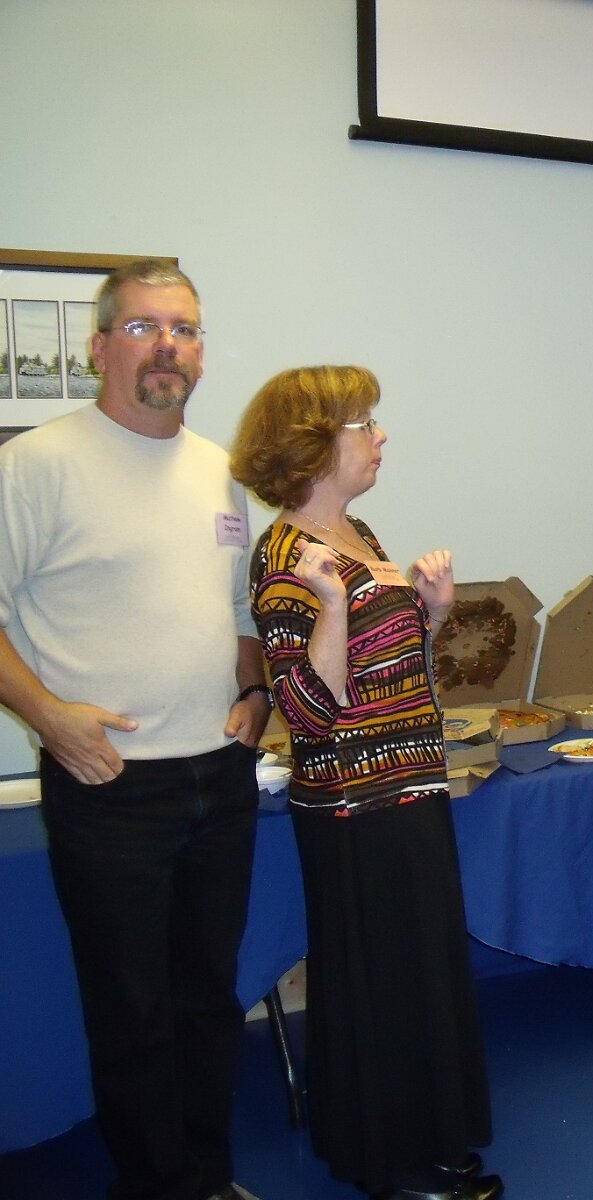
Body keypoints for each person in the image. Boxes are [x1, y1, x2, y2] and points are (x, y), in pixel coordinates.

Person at [0, 260, 268, 1200]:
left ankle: (208, 1179)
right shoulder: (37, 465)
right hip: (109, 783)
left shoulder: (221, 471)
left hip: (220, 775)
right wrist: (48, 715)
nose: (168, 347)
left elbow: (238, 612)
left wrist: (257, 693)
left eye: (185, 329)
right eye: (146, 327)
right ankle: (157, 1188)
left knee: (209, 998)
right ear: (100, 346)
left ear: (202, 352)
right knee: (135, 1012)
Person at [229, 367, 501, 1200]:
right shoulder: (284, 558)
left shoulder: (358, 533)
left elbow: (394, 671)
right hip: (355, 809)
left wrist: (433, 611)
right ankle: (389, 1163)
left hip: (410, 787)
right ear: (315, 443)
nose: (381, 437)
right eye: (364, 424)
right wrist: (334, 608)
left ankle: (430, 1135)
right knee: (379, 984)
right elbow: (309, 712)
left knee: (419, 973)